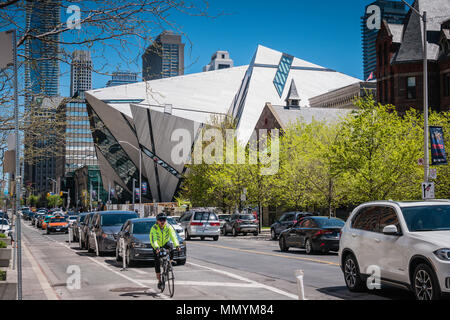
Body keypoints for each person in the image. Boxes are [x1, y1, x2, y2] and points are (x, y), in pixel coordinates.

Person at [149, 213, 181, 290]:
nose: (162, 221)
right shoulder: (154, 228)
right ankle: (159, 280)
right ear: (157, 221)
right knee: (156, 261)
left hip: (165, 243)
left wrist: (177, 245)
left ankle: (170, 261)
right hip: (157, 245)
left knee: (171, 246)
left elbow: (173, 236)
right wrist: (156, 247)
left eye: (164, 220)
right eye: (160, 220)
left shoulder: (168, 226)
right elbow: (154, 239)